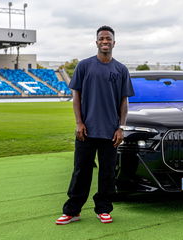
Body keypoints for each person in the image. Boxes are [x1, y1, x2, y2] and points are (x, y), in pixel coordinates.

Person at [56, 25, 134, 225]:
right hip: (86, 130)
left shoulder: (121, 69)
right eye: (102, 38)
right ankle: (73, 210)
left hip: (110, 132)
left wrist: (121, 127)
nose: (105, 41)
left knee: (107, 172)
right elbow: (76, 97)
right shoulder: (84, 66)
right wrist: (79, 123)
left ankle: (103, 208)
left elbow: (124, 102)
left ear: (114, 43)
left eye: (108, 39)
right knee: (81, 171)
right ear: (96, 42)